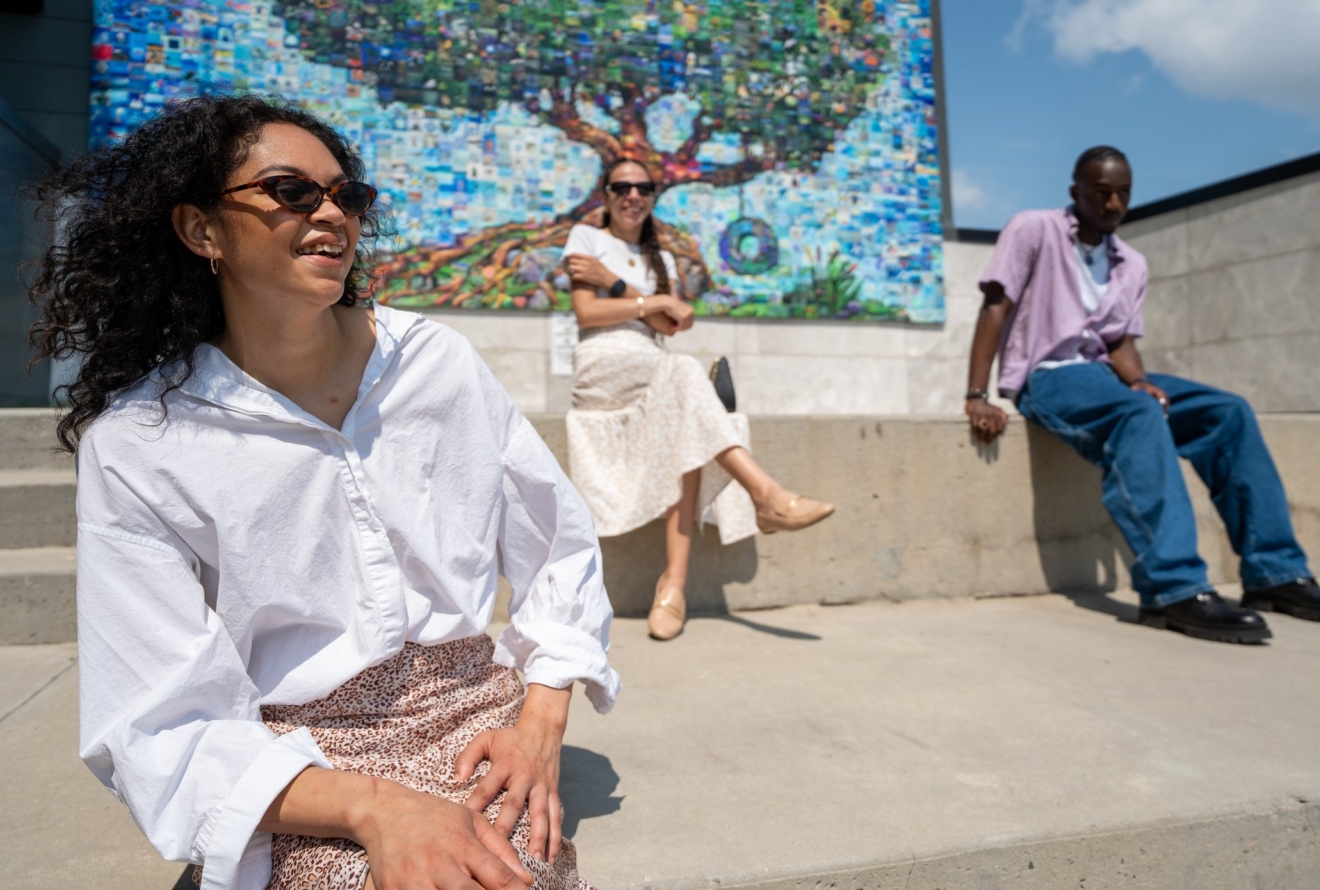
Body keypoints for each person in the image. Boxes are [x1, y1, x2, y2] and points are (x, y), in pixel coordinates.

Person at [28, 94, 618, 890]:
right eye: (290, 191)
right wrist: (378, 808)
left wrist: (542, 719)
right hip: (298, 762)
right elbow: (154, 714)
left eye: (347, 194)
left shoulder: (435, 363)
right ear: (201, 230)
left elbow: (559, 543)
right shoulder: (141, 445)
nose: (331, 212)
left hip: (478, 718)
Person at [965, 145, 1317, 643]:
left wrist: (1139, 380)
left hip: (1107, 377)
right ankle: (1173, 588)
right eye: (1101, 193)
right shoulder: (1033, 229)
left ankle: (1275, 574)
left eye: (1122, 195)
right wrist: (979, 394)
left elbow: (1119, 342)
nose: (1112, 205)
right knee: (1136, 413)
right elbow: (995, 307)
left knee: (1227, 412)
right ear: (1077, 192)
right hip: (1048, 376)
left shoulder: (1131, 262)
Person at [560, 158, 834, 641]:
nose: (632, 195)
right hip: (604, 366)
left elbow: (674, 321)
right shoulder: (586, 240)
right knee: (686, 377)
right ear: (605, 194)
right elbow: (588, 313)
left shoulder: (662, 261)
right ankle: (763, 498)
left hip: (655, 365)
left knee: (682, 396)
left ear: (653, 196)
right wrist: (650, 302)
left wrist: (618, 285)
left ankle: (676, 584)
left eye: (643, 187)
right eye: (621, 186)